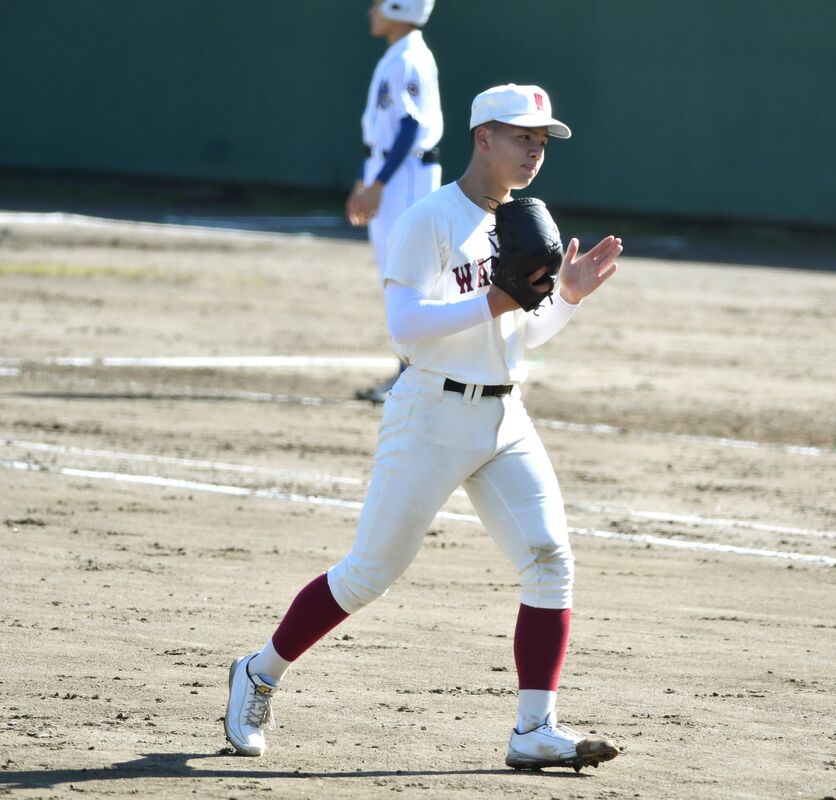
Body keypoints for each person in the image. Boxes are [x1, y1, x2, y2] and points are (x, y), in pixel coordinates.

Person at [224, 83, 625, 772]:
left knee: (550, 560)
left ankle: (534, 729)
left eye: (541, 139)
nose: (534, 149)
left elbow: (521, 335)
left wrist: (568, 298)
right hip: (430, 415)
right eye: (521, 135)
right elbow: (405, 329)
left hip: (504, 416)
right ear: (482, 139)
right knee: (368, 575)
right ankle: (259, 673)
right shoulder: (429, 219)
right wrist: (495, 297)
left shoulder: (526, 220)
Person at [346, 0, 443, 403]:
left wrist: (379, 183)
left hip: (405, 176)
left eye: (379, 4)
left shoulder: (410, 57)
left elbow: (409, 128)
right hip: (391, 171)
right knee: (397, 272)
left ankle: (413, 375)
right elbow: (385, 134)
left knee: (406, 275)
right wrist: (363, 179)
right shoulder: (399, 55)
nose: (371, 10)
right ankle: (410, 372)